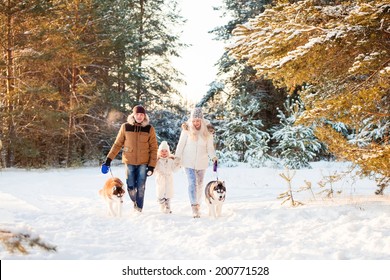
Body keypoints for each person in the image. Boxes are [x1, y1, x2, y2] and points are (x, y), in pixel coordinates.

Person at [101, 105, 158, 213]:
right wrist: (108, 160)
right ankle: (134, 201)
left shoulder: (149, 129)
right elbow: (117, 144)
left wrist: (151, 165)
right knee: (130, 186)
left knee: (141, 186)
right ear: (133, 115)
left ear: (144, 116)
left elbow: (154, 148)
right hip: (129, 161)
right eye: (137, 114)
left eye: (142, 114)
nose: (140, 116)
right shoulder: (125, 127)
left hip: (143, 162)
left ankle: (138, 208)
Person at [175, 107, 217, 218]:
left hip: (202, 162)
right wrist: (177, 158)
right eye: (193, 120)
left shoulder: (207, 131)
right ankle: (194, 207)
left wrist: (213, 157)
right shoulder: (187, 130)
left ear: (202, 120)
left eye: (198, 120)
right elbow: (181, 145)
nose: (195, 123)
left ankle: (198, 204)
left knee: (200, 184)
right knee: (192, 183)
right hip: (188, 162)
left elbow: (210, 147)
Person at [154, 141, 180, 214]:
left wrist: (178, 164)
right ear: (159, 152)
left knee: (168, 192)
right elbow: (154, 169)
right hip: (160, 178)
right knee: (160, 193)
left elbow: (174, 169)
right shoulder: (157, 160)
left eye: (166, 151)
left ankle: (168, 205)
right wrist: (152, 171)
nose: (164, 152)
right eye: (162, 151)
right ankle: (162, 204)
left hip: (168, 178)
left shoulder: (171, 160)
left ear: (168, 152)